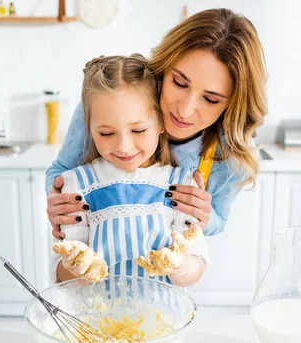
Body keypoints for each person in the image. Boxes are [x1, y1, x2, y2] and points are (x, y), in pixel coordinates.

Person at [46, 8, 267, 240]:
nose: (185, 110)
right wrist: (60, 201)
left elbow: (219, 220)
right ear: (164, 67)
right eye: (179, 83)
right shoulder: (110, 103)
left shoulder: (231, 153)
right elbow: (60, 172)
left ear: (232, 104)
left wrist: (205, 216)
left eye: (211, 99)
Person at [52, 54, 209, 287]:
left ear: (161, 122)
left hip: (161, 320)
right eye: (106, 133)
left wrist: (179, 265)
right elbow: (60, 272)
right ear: (89, 127)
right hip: (96, 318)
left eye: (138, 131)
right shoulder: (78, 184)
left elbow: (197, 263)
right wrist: (75, 266)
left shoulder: (183, 185)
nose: (124, 147)